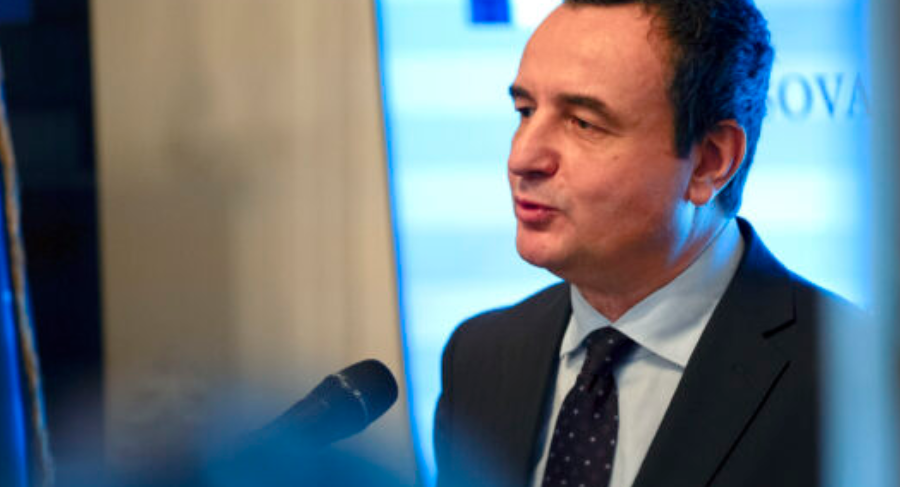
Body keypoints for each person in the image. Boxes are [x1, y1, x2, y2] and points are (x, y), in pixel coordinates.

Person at [433, 1, 856, 486]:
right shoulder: (479, 358)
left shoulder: (855, 378)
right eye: (525, 111)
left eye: (583, 123)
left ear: (710, 161)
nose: (522, 157)